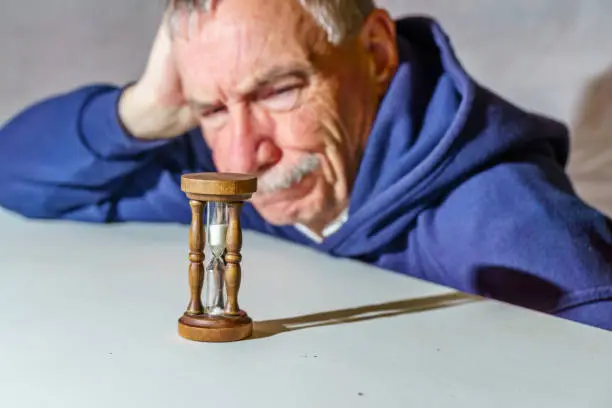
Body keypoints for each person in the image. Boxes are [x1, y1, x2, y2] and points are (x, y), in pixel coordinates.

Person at [1, 0, 611, 331]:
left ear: (374, 53)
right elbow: (14, 173)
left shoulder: (514, 232)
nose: (241, 158)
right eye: (212, 106)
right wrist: (141, 111)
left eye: (278, 90)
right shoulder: (233, 175)